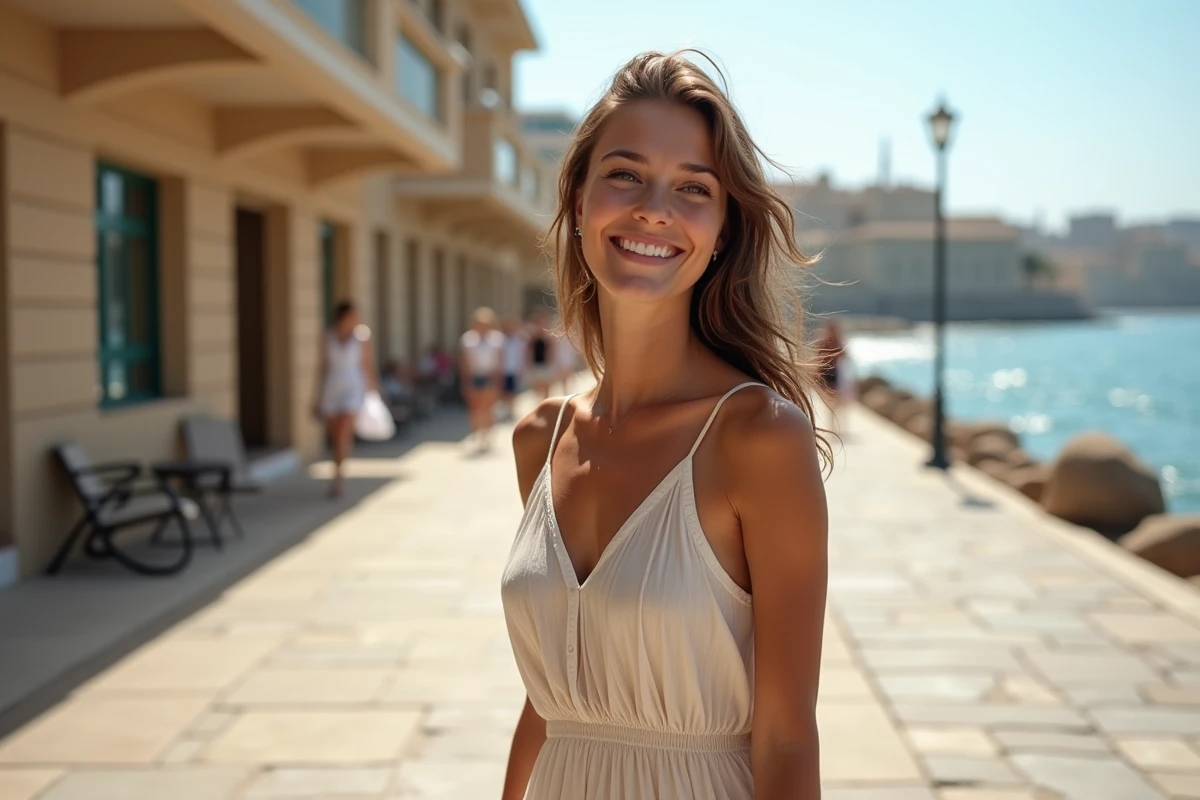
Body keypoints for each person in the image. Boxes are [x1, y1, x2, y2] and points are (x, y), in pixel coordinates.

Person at [501, 51, 831, 800]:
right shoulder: (540, 441)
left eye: (693, 188)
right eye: (624, 174)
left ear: (720, 231)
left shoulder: (757, 440)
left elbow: (785, 738)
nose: (655, 207)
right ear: (579, 200)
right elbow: (549, 703)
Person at [313, 300, 378, 499]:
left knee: (343, 432)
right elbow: (322, 367)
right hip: (332, 388)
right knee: (335, 436)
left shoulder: (362, 337)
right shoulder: (328, 336)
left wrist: (373, 389)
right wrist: (316, 396)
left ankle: (339, 478)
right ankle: (338, 468)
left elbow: (366, 365)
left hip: (353, 388)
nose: (357, 319)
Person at [459, 307, 505, 451]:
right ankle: (477, 434)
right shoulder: (468, 339)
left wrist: (499, 381)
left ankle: (487, 435)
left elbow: (500, 361)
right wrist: (465, 382)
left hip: (490, 376)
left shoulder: (496, 339)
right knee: (475, 408)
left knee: (488, 408)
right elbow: (464, 362)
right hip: (474, 376)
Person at [500, 317, 529, 421]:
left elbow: (522, 355)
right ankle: (506, 408)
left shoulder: (518, 340)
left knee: (512, 391)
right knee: (504, 391)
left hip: (514, 369)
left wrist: (523, 369)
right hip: (502, 370)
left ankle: (511, 409)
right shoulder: (500, 340)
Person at [525, 310, 555, 401]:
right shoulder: (532, 337)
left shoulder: (547, 337)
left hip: (545, 364)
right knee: (537, 386)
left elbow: (551, 350)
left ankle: (546, 400)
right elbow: (529, 351)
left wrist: (551, 362)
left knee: (546, 385)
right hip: (536, 364)